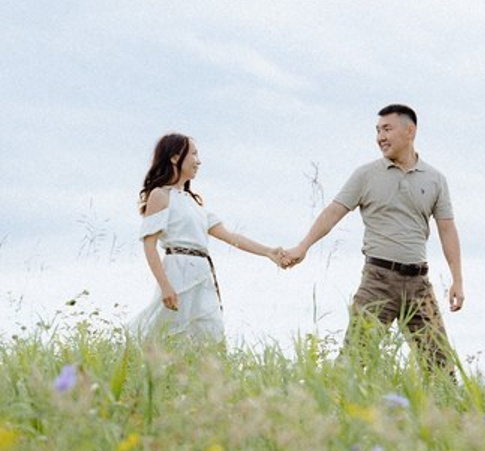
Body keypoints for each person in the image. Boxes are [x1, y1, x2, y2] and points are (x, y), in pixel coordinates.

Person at [281, 104, 463, 371]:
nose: (380, 137)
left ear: (409, 131)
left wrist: (457, 280)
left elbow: (447, 229)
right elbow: (333, 212)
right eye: (378, 131)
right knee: (354, 363)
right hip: (378, 280)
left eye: (387, 129)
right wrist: (302, 246)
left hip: (419, 284)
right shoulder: (365, 175)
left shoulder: (435, 179)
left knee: (440, 368)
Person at [130, 133, 283, 343]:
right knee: (168, 333)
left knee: (209, 334)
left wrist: (268, 251)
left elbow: (231, 237)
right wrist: (165, 285)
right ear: (175, 158)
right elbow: (149, 245)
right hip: (177, 271)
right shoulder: (160, 195)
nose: (198, 161)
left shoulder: (194, 203)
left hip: (202, 274)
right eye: (193, 154)